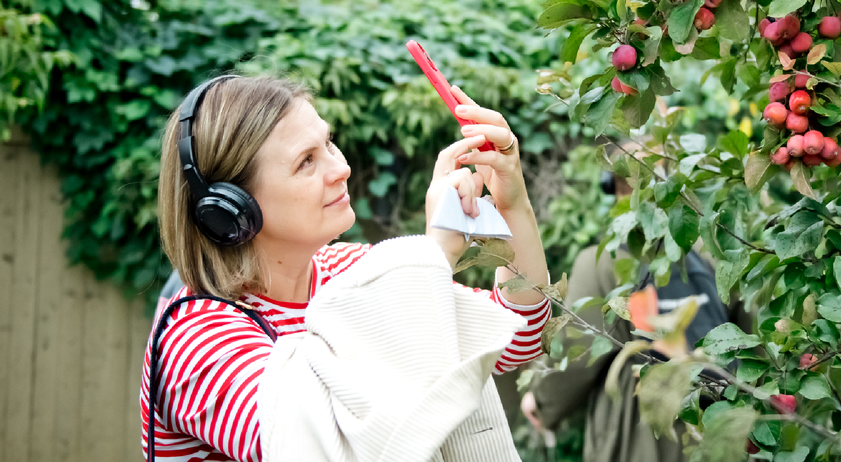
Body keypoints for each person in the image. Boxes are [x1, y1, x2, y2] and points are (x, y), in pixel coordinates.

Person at [140, 74, 551, 461]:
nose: (342, 169)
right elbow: (331, 447)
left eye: (329, 144)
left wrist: (512, 201)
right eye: (306, 161)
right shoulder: (194, 340)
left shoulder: (347, 271)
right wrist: (435, 255)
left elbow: (518, 333)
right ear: (231, 209)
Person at [520, 171, 755, 462]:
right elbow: (749, 344)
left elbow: (575, 351)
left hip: (640, 435)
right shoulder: (716, 255)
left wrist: (541, 402)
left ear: (618, 191)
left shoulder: (603, 262)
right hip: (718, 430)